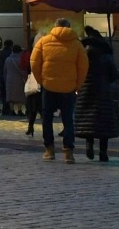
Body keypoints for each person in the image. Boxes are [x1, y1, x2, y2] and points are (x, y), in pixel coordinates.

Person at [31, 18, 88, 163]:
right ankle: (68, 152)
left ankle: (49, 150)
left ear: (55, 26)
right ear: (69, 27)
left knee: (47, 119)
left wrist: (41, 80)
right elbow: (83, 67)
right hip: (68, 88)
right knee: (68, 119)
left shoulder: (43, 42)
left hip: (48, 86)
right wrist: (77, 85)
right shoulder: (77, 44)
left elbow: (34, 63)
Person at [74, 27, 119, 163]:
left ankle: (89, 145)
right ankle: (103, 152)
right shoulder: (106, 56)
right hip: (103, 93)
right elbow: (114, 75)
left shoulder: (83, 55)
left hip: (86, 92)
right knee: (103, 123)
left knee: (88, 122)